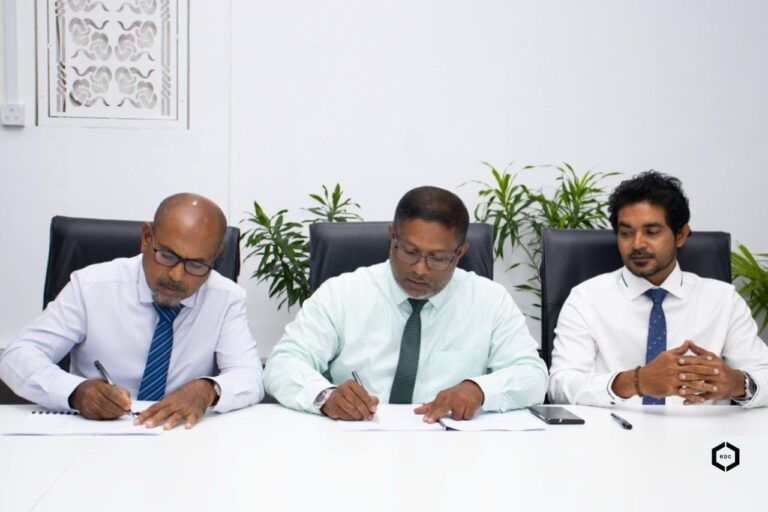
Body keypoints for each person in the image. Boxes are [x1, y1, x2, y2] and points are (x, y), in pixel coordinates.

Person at [264, 186, 548, 422]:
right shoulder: (342, 293)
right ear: (392, 238)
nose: (419, 270)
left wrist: (479, 389)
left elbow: (532, 375)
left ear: (460, 252)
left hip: (452, 449)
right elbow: (282, 363)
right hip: (356, 445)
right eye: (410, 252)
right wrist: (324, 396)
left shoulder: (490, 300)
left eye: (437, 258)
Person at [0, 193, 264, 428]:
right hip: (94, 434)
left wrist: (208, 389)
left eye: (196, 264)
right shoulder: (91, 286)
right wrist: (76, 391)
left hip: (179, 435)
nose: (176, 276)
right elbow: (17, 356)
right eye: (167, 256)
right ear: (147, 238)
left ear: (214, 257)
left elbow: (250, 377)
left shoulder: (226, 298)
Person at [549, 171, 768, 408]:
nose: (637, 244)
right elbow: (560, 386)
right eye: (626, 233)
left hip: (702, 429)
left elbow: (763, 374)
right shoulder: (586, 298)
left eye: (652, 232)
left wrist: (738, 383)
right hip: (615, 428)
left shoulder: (723, 300)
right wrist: (636, 381)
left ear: (680, 235)